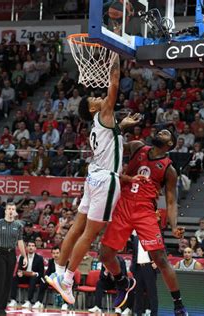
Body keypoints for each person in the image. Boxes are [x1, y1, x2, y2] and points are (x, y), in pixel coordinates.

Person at [45, 55, 138, 305]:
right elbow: (115, 83)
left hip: (93, 177)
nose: (98, 97)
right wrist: (115, 52)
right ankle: (67, 280)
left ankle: (58, 270)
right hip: (106, 180)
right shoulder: (105, 111)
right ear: (93, 108)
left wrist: (124, 126)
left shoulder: (102, 124)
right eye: (93, 99)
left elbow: (115, 143)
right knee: (90, 234)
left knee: (77, 227)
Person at [98, 131, 188, 315]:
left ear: (170, 143)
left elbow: (171, 202)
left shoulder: (169, 169)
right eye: (160, 130)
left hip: (145, 210)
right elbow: (113, 147)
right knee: (105, 255)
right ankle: (123, 282)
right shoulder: (138, 146)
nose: (160, 132)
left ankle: (178, 304)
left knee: (160, 259)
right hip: (123, 205)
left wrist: (174, 225)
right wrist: (119, 128)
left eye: (165, 133)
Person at [0, 203, 27, 316]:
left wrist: (24, 256)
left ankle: (2, 308)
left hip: (11, 254)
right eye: (9, 209)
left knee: (8, 281)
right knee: (0, 280)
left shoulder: (18, 225)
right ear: (5, 211)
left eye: (13, 209)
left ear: (15, 212)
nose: (10, 211)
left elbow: (20, 242)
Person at [8, 240, 44, 310]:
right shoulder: (22, 257)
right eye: (29, 246)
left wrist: (35, 274)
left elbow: (41, 272)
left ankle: (29, 301)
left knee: (33, 278)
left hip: (34, 278)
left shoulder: (39, 258)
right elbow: (19, 269)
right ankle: (13, 300)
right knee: (14, 278)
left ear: (35, 248)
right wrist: (19, 273)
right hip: (24, 277)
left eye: (33, 246)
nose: (31, 247)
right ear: (26, 248)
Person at [33, 246, 67, 311]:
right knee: (43, 282)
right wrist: (45, 278)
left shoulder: (65, 262)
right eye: (54, 253)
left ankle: (65, 304)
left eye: (57, 253)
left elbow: (68, 274)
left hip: (63, 280)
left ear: (60, 253)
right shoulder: (51, 261)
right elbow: (48, 272)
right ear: (52, 254)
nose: (55, 255)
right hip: (53, 281)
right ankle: (39, 302)